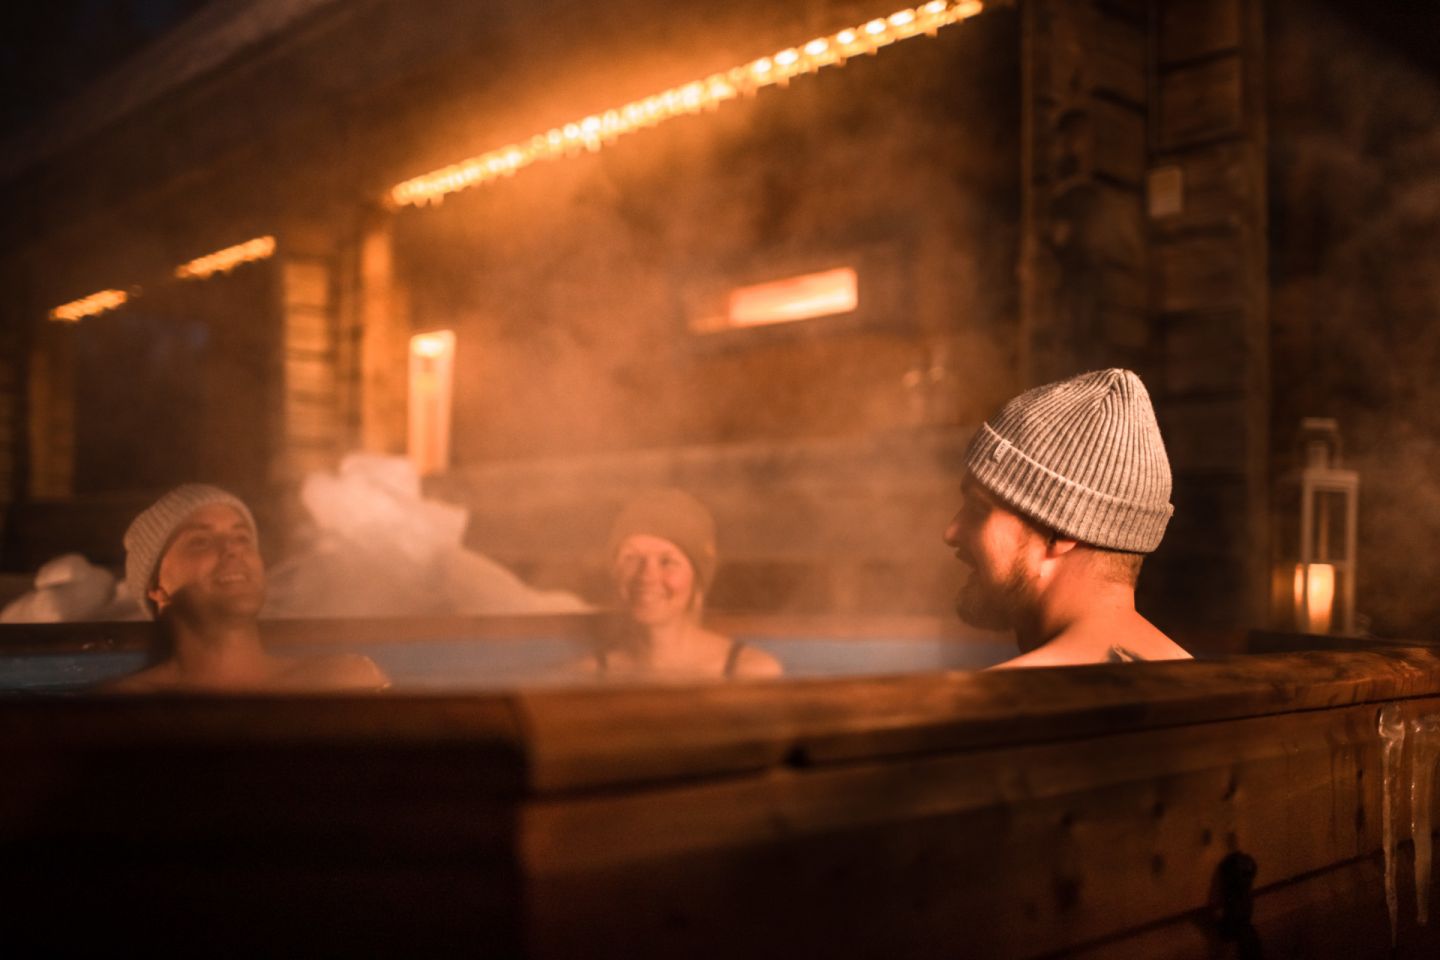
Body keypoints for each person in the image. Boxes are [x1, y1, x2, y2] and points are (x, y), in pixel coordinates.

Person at [943, 368, 1192, 668]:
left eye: (980, 509)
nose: (952, 532)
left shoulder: (1000, 703)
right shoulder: (1215, 688)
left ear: (1060, 531)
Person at [107, 484, 389, 692]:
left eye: (242, 538)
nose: (232, 549)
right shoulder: (125, 710)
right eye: (200, 541)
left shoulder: (345, 682)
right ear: (156, 588)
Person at [595, 489, 781, 681]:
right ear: (614, 572)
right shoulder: (589, 675)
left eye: (667, 561)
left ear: (697, 580)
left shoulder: (749, 672)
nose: (646, 576)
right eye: (631, 558)